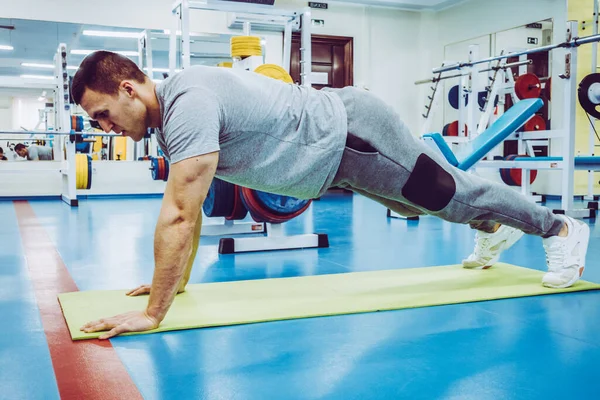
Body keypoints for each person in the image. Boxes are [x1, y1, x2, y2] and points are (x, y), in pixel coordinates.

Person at [72, 51, 590, 340]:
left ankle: (560, 228)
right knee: (413, 205)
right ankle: (490, 227)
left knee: (450, 195)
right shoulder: (168, 125)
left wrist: (153, 313)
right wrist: (175, 285)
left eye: (102, 115)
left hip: (350, 133)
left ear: (129, 90)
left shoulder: (189, 104)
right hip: (326, 160)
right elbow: (193, 208)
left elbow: (180, 216)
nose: (106, 127)